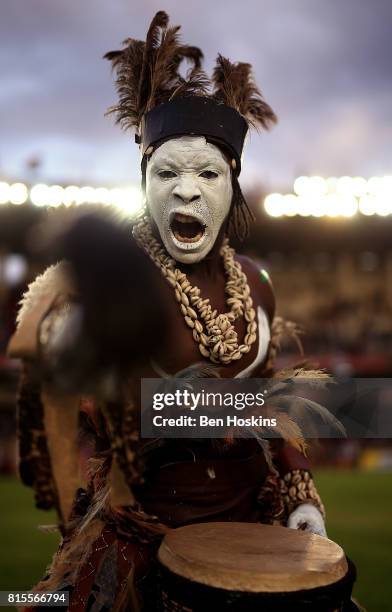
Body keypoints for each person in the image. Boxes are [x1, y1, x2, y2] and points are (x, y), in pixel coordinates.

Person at [8, 11, 327, 611]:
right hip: (141, 544)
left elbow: (273, 407)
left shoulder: (256, 284)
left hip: (252, 532)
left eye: (207, 172)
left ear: (233, 183)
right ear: (144, 180)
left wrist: (302, 497)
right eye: (167, 172)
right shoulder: (117, 288)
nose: (186, 190)